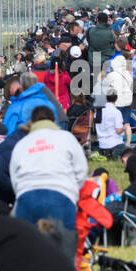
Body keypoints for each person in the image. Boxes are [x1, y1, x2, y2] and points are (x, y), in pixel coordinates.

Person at [9, 106, 88, 257]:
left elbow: (15, 178)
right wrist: (71, 190)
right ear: (54, 121)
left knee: (26, 253)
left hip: (27, 197)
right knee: (64, 251)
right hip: (61, 195)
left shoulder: (22, 144)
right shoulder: (67, 138)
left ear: (31, 123)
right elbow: (81, 170)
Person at [95, 91, 131, 158]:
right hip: (115, 144)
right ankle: (127, 145)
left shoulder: (98, 111)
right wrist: (124, 127)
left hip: (102, 144)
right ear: (116, 99)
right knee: (127, 125)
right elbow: (118, 131)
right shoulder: (116, 112)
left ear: (106, 97)